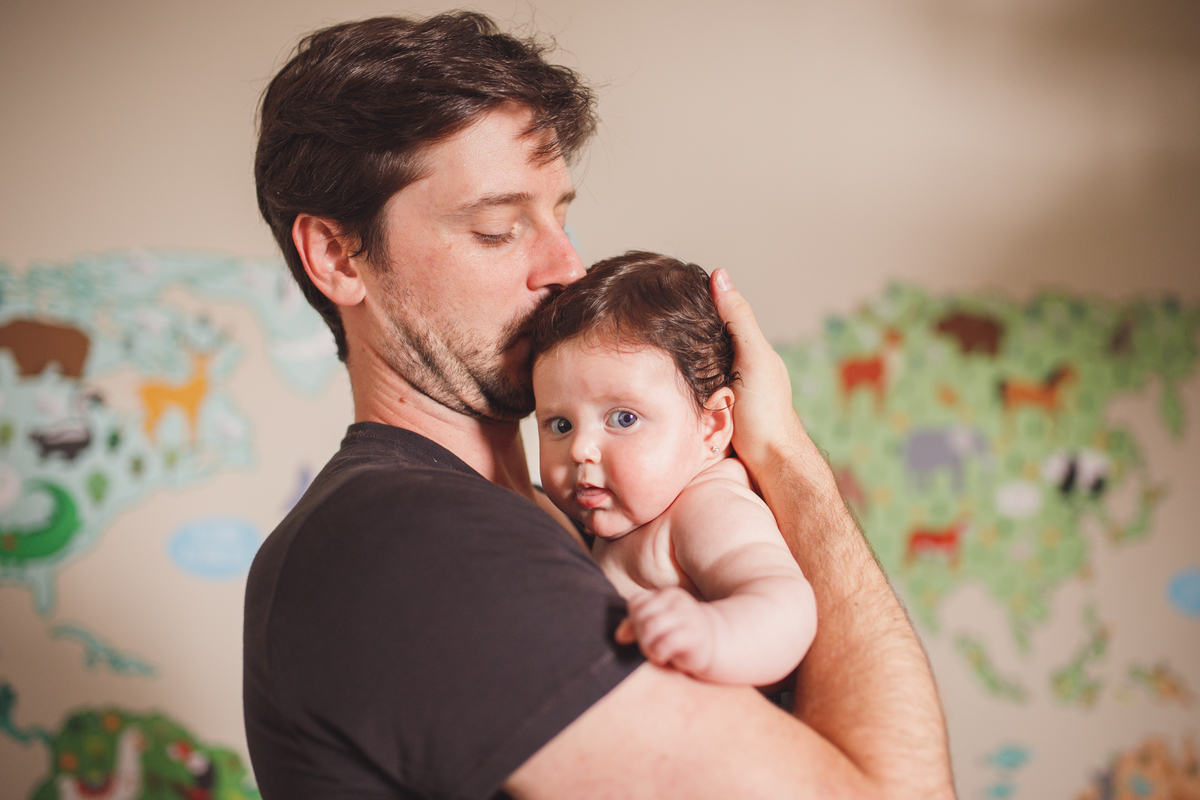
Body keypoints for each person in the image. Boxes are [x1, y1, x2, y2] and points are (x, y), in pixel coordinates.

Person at [244, 11, 955, 800]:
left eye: (561, 216)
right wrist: (782, 451)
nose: (566, 266)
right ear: (338, 257)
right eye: (497, 229)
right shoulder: (410, 538)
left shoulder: (565, 516)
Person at [529, 252, 816, 687]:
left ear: (712, 426)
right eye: (561, 425)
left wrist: (709, 633)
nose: (580, 450)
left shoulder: (707, 507)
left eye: (623, 419)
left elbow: (787, 606)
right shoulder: (641, 512)